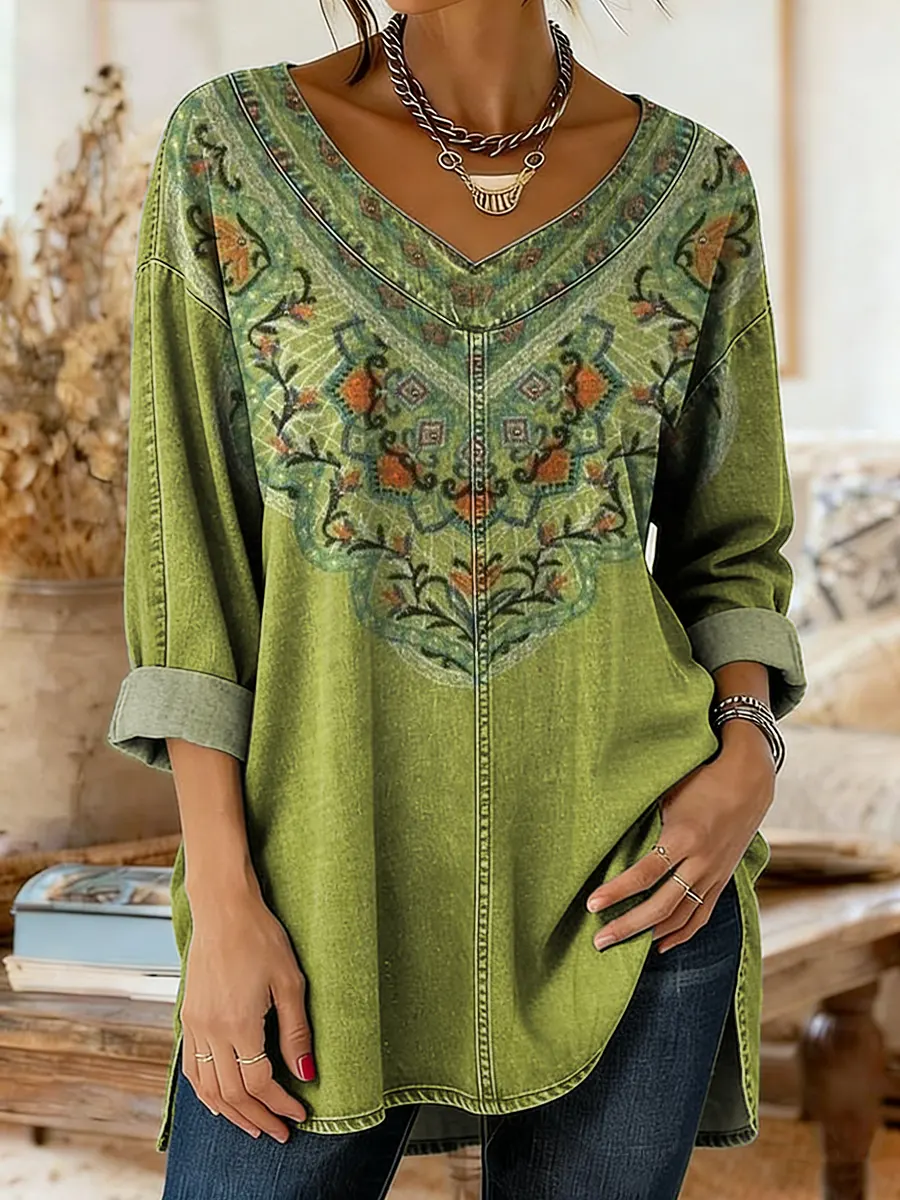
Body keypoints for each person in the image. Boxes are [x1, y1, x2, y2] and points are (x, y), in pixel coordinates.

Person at [106, 0, 807, 1195]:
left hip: (634, 888)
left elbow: (730, 547)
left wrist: (746, 759)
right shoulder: (229, 152)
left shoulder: (696, 192)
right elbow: (189, 563)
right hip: (319, 894)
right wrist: (221, 899)